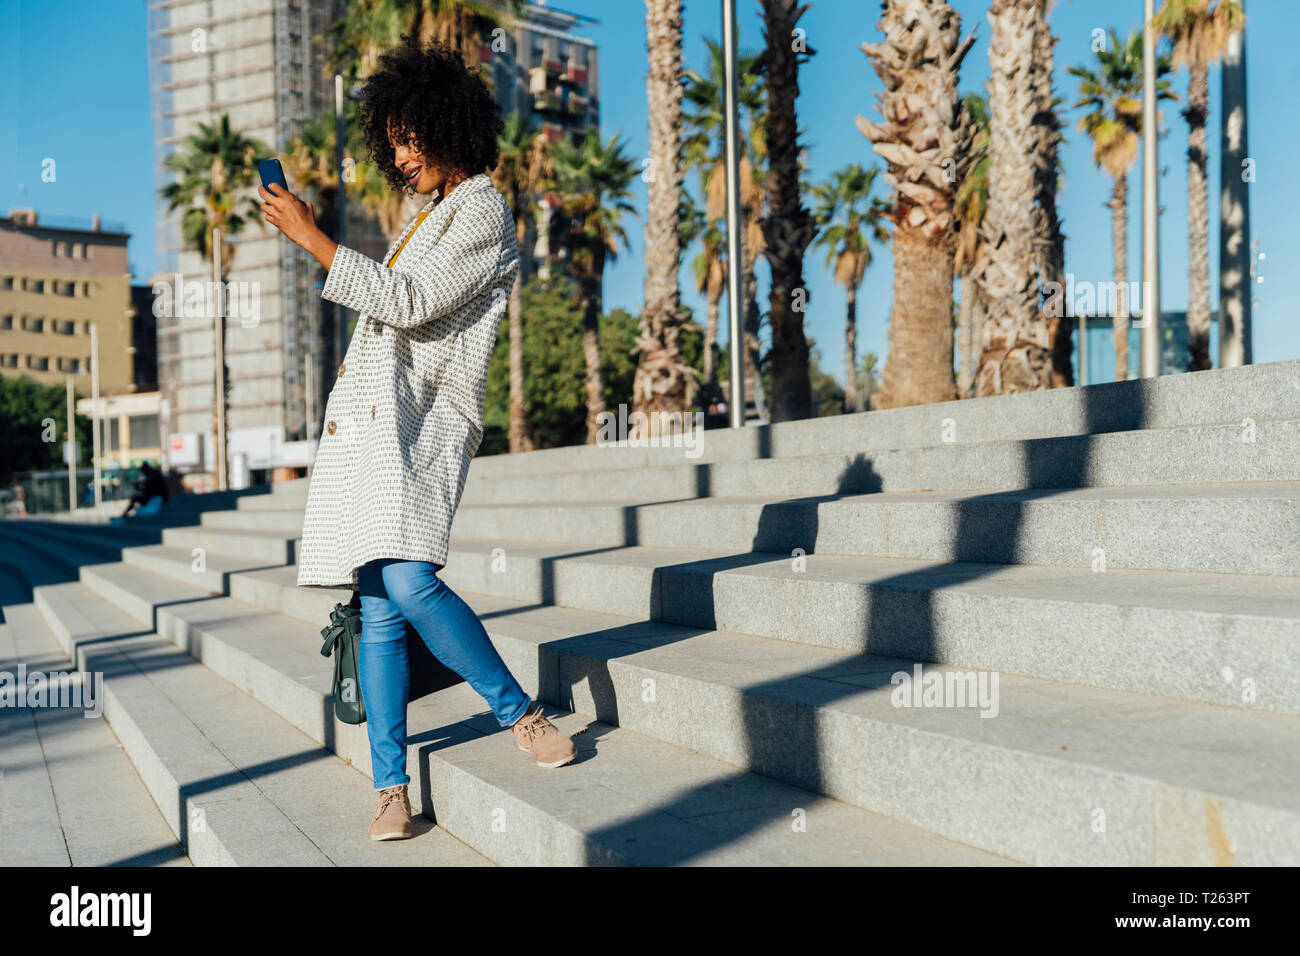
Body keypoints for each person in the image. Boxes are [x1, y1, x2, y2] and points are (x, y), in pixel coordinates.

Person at [260, 36, 576, 843]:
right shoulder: (426, 213)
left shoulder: (482, 209)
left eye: (413, 137)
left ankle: (522, 712)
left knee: (406, 582)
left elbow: (412, 301)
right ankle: (391, 787)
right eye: (392, 140)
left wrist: (314, 239)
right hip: (375, 426)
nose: (401, 157)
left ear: (451, 126)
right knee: (376, 603)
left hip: (428, 422)